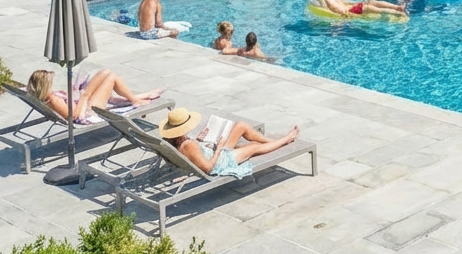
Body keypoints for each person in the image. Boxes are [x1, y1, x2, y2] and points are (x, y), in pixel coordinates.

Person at [160, 107, 299, 179]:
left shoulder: (173, 142)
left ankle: (274, 141)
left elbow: (194, 155)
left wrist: (200, 141)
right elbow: (208, 168)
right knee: (254, 147)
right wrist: (219, 147)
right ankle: (286, 139)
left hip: (212, 152)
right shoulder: (188, 145)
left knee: (240, 126)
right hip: (221, 161)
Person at [26, 69, 163, 124]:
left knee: (106, 74)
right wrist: (84, 96)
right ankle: (135, 100)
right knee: (110, 76)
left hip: (85, 106)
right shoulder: (53, 99)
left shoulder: (45, 96)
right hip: (86, 113)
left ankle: (141, 96)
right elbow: (73, 116)